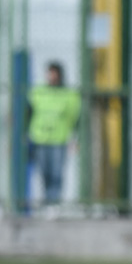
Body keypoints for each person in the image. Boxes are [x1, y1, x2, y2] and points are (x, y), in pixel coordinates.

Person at [27, 61, 81, 211]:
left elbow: (76, 118)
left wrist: (76, 139)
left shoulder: (69, 94)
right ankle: (47, 202)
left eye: (54, 73)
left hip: (59, 140)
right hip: (40, 139)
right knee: (44, 173)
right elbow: (28, 113)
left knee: (56, 174)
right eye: (50, 73)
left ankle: (53, 204)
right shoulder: (38, 91)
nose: (52, 77)